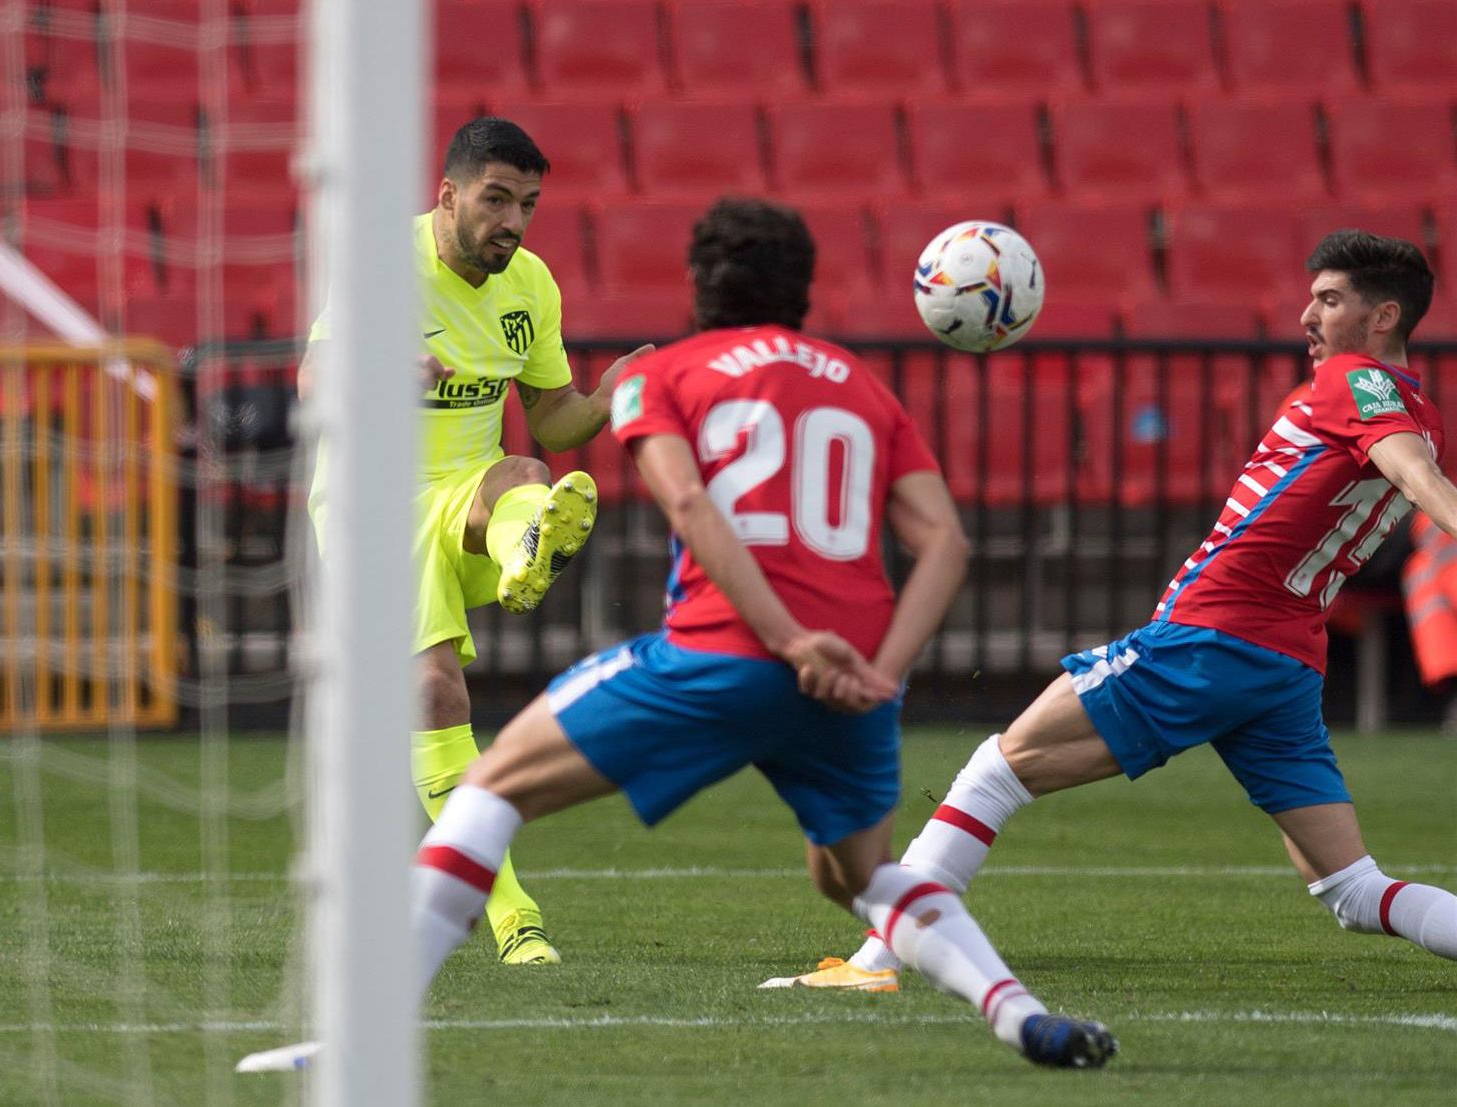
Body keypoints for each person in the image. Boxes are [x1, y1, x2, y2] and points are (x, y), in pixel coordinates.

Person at [242, 197, 1118, 1074]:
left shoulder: (659, 376)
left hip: (716, 655)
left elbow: (693, 506)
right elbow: (947, 544)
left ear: (700, 285)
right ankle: (1021, 1016)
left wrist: (783, 636)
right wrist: (881, 670)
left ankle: (358, 1044)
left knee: (489, 789)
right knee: (859, 876)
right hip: (846, 678)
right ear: (804, 292)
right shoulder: (861, 384)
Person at [795, 230, 1457, 995]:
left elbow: (1412, 474)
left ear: (1384, 318)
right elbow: (1413, 462)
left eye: (1331, 300)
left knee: (995, 770)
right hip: (1282, 661)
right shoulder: (1416, 408)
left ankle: (877, 961)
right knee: (1353, 888)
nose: (1308, 316)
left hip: (1217, 637)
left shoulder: (1356, 382)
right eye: (1311, 297)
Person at [301, 117, 650, 964]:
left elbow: (554, 419)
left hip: (466, 492)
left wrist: (606, 398)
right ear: (449, 194)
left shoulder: (530, 284)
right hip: (371, 503)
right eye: (497, 199)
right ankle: (510, 914)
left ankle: (526, 542)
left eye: (528, 204)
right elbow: (315, 381)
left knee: (526, 468)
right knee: (435, 696)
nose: (514, 221)